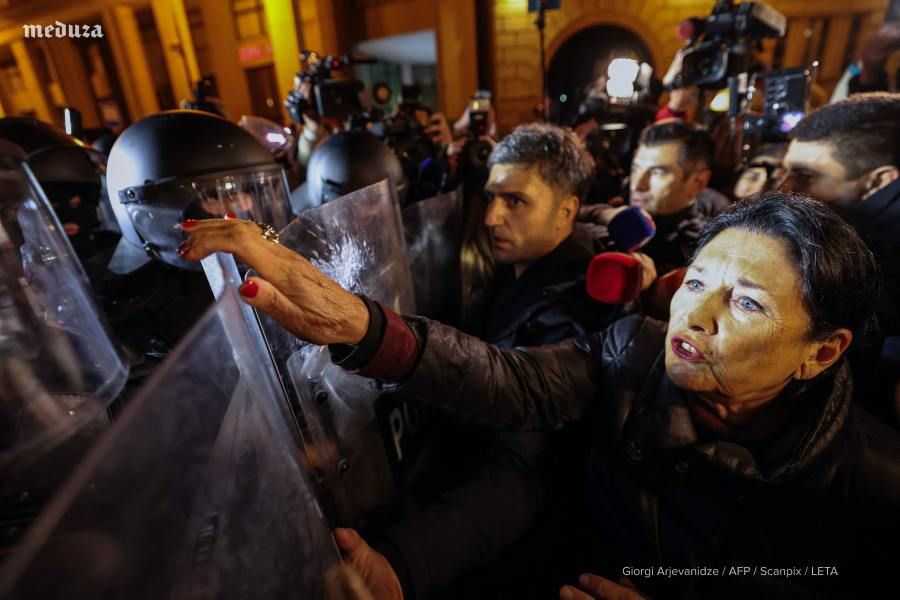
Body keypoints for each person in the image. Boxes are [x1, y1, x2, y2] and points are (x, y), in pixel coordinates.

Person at [179, 191, 900, 600]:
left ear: (823, 350)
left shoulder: (873, 485)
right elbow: (512, 381)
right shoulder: (631, 351)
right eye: (699, 282)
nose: (697, 318)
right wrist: (360, 325)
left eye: (746, 304)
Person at [376, 124, 631, 600]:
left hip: (525, 556)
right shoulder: (522, 272)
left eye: (516, 201)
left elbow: (523, 473)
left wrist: (403, 561)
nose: (492, 217)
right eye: (491, 197)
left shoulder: (568, 312)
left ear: (566, 212)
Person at [780, 92, 900, 424]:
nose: (784, 187)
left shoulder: (872, 259)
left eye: (806, 176)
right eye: (785, 170)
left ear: (879, 181)